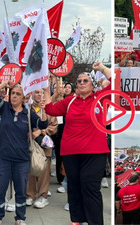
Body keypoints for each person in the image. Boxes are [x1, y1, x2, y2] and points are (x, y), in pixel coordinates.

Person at [44, 62, 111, 225]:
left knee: (90, 187)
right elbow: (50, 109)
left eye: (85, 80)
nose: (80, 83)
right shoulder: (70, 101)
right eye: (78, 81)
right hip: (71, 152)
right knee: (74, 187)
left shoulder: (101, 98)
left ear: (93, 85)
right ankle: (77, 220)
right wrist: (47, 90)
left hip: (95, 153)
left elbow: (115, 80)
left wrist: (101, 68)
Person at [0, 81, 49, 225]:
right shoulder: (4, 108)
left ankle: (20, 218)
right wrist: (4, 84)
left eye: (18, 94)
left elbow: (42, 125)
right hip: (2, 158)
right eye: (13, 93)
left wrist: (44, 111)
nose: (14, 96)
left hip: (21, 160)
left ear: (24, 98)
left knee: (21, 191)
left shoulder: (28, 114)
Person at [26, 89, 58, 209]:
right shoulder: (28, 108)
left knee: (44, 171)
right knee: (31, 169)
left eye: (41, 92)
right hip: (30, 145)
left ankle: (43, 196)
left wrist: (41, 131)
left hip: (44, 145)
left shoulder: (49, 109)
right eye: (36, 92)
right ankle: (30, 195)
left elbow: (54, 127)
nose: (39, 95)